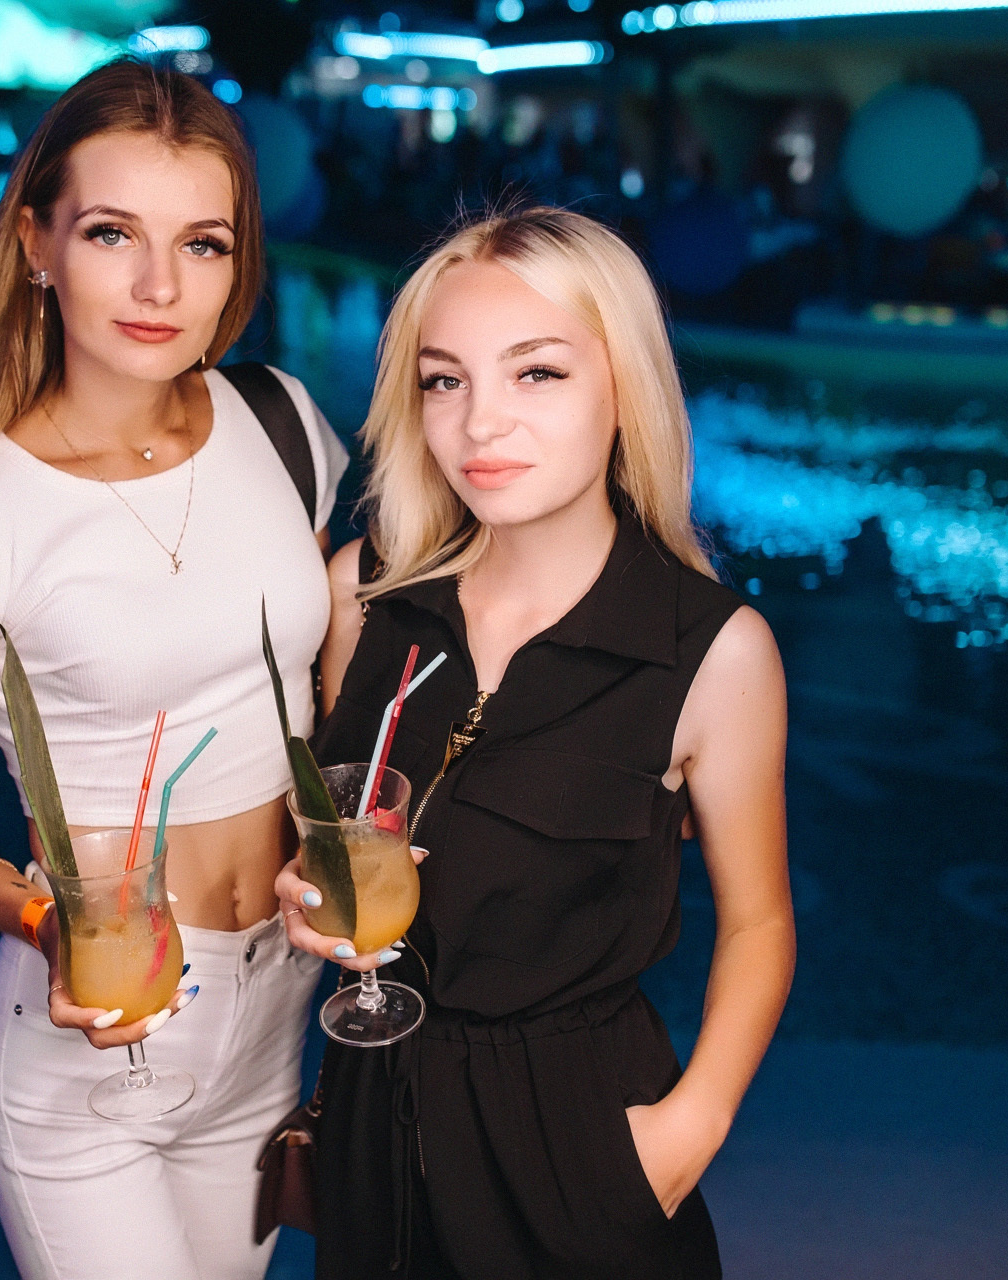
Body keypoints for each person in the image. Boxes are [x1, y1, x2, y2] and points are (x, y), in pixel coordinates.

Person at [0, 59, 348, 1280]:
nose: (159, 285)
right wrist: (40, 920)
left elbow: (319, 673)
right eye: (113, 233)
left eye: (203, 243)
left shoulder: (280, 423)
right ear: (36, 242)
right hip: (95, 1038)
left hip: (278, 1004)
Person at [278, 206, 795, 1279]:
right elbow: (341, 836)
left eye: (538, 373)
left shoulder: (712, 651)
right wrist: (307, 889)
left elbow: (759, 922)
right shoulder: (362, 595)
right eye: (445, 380)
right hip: (373, 1134)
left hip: (576, 1150)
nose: (481, 424)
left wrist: (684, 1134)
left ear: (623, 389)